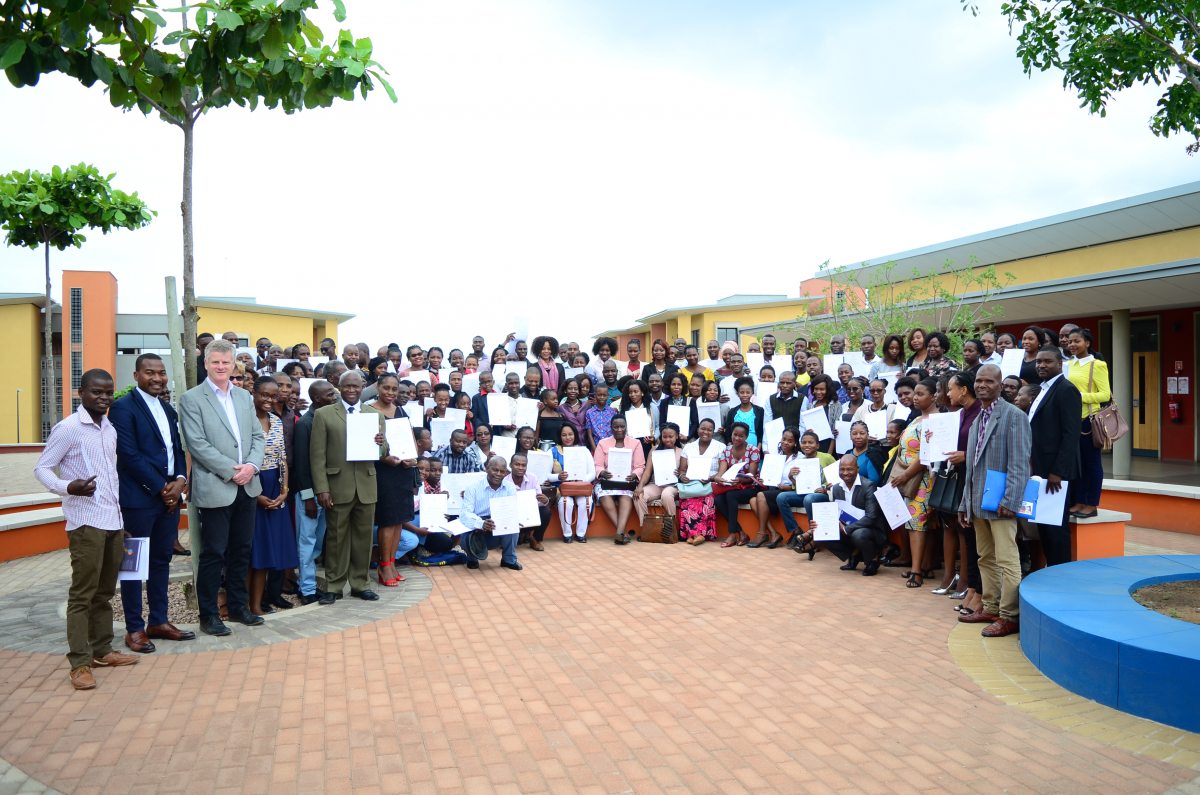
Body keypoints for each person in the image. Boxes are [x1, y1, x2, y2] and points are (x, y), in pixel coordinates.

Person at [35, 369, 141, 689]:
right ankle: (79, 663)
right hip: (85, 523)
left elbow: (112, 476)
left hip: (113, 520)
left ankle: (102, 650)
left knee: (105, 592)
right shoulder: (68, 428)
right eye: (97, 392)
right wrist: (68, 486)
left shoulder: (109, 428)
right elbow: (41, 468)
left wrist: (122, 522)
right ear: (81, 393)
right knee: (82, 595)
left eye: (108, 392)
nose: (104, 397)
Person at [179, 339, 266, 637]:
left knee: (242, 550)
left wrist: (251, 467)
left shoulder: (243, 397)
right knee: (214, 552)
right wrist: (233, 472)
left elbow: (258, 437)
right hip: (218, 486)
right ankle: (210, 614)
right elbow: (197, 444)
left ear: (233, 365)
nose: (220, 367)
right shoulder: (192, 399)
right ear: (205, 363)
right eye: (215, 362)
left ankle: (240, 608)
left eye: (225, 363)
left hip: (248, 484)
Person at [107, 353, 193, 654]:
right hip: (139, 500)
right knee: (133, 566)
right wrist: (161, 489)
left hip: (168, 498)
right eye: (149, 373)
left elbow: (177, 450)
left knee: (160, 561)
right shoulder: (122, 408)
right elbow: (129, 455)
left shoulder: (168, 409)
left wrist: (180, 480)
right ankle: (134, 628)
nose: (157, 378)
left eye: (161, 373)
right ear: (136, 376)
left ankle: (159, 620)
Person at [958, 363, 1032, 638]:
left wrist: (1011, 499)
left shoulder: (1013, 416)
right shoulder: (978, 417)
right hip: (978, 501)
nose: (982, 385)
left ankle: (1009, 616)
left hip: (1002, 502)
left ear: (1000, 385)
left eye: (989, 381)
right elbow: (973, 467)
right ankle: (989, 607)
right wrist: (965, 503)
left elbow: (1020, 463)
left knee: (1007, 559)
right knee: (985, 557)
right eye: (978, 381)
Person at [309, 370, 387, 602]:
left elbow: (383, 453)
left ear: (362, 387)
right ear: (339, 388)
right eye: (347, 386)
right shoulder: (324, 415)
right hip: (336, 486)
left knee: (363, 538)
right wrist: (322, 488)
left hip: (366, 485)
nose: (352, 390)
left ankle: (360, 583)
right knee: (336, 538)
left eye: (356, 386)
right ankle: (334, 585)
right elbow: (317, 456)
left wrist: (382, 444)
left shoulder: (374, 415)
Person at [248, 377, 300, 615]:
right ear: (254, 393)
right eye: (264, 395)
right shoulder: (244, 420)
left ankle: (265, 600)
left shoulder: (277, 422)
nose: (269, 400)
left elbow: (282, 459)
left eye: (273, 395)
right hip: (251, 486)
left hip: (276, 487)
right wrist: (256, 494)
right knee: (255, 552)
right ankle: (253, 605)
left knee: (272, 549)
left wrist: (284, 491)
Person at [1028, 346, 1082, 566]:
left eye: (1047, 361)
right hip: (1040, 469)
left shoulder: (1066, 389)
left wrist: (1057, 471)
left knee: (1056, 529)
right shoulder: (1043, 389)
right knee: (1044, 525)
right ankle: (1050, 572)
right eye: (1039, 361)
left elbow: (1071, 435)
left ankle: (1060, 574)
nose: (1041, 365)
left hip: (1055, 473)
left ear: (1060, 364)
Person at [934, 370, 983, 601]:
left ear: (963, 390)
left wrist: (965, 454)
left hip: (973, 480)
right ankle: (962, 582)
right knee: (957, 527)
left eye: (951, 388)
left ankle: (969, 584)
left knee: (969, 533)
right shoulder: (959, 414)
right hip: (956, 476)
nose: (947, 393)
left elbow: (984, 447)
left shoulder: (980, 413)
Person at [369, 373, 420, 586]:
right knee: (388, 521)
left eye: (394, 389)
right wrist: (384, 458)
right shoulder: (369, 411)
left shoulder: (400, 410)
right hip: (384, 472)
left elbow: (410, 440)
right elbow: (366, 444)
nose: (390, 393)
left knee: (399, 521)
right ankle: (383, 566)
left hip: (403, 471)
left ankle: (391, 563)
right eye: (386, 388)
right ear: (378, 388)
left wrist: (412, 458)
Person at [293, 378, 339, 606]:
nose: (335, 396)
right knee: (307, 542)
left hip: (326, 493)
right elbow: (302, 465)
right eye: (330, 394)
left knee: (318, 543)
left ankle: (309, 584)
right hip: (309, 496)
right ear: (316, 399)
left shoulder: (327, 417)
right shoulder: (305, 424)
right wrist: (309, 497)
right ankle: (307, 589)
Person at [889, 377, 937, 588]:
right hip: (909, 475)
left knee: (917, 522)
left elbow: (926, 455)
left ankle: (916, 572)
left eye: (920, 394)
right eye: (914, 394)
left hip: (923, 478)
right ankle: (922, 565)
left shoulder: (935, 420)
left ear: (934, 396)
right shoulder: (918, 418)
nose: (915, 398)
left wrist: (906, 475)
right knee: (913, 523)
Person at [811, 454, 889, 575]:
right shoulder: (836, 488)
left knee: (859, 534)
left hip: (870, 530)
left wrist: (847, 528)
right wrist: (820, 523)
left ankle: (872, 560)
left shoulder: (868, 486)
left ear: (857, 469)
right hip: (848, 528)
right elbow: (836, 514)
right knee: (822, 532)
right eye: (842, 469)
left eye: (849, 469)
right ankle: (853, 555)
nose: (845, 473)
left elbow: (872, 517)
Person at [1066, 328, 1111, 519]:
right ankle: (1078, 501)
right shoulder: (1068, 364)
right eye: (1070, 342)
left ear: (1087, 343)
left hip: (1088, 422)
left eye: (1077, 341)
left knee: (1091, 464)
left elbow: (1105, 394)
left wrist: (1079, 396)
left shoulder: (1097, 365)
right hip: (1070, 420)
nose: (1073, 345)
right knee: (1076, 464)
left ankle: (1091, 504)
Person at [458, 456, 523, 571]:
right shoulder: (472, 488)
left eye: (502, 471)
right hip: (478, 525)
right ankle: (472, 558)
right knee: (466, 533)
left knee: (513, 526)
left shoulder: (510, 488)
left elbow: (512, 510)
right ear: (487, 468)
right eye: (495, 470)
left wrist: (515, 519)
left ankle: (508, 559)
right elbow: (465, 514)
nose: (498, 474)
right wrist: (481, 523)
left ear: (506, 473)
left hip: (498, 524)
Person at [777, 429, 836, 553]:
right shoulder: (800, 461)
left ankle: (813, 535)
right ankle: (795, 530)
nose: (807, 445)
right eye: (804, 442)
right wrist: (791, 477)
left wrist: (825, 488)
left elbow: (837, 477)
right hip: (805, 494)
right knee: (782, 497)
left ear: (818, 445)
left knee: (809, 498)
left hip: (822, 495)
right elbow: (798, 487)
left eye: (811, 442)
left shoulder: (827, 457)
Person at [593, 416, 645, 545]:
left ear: (627, 427)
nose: (619, 429)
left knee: (626, 497)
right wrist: (602, 472)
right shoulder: (602, 443)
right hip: (607, 481)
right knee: (604, 496)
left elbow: (640, 466)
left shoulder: (635, 443)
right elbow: (597, 465)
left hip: (626, 481)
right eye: (616, 427)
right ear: (611, 428)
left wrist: (634, 474)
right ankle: (621, 533)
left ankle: (619, 532)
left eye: (622, 426)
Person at [713, 422, 763, 548]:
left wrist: (740, 479)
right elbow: (721, 472)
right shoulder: (726, 450)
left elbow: (751, 476)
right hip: (732, 486)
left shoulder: (753, 450)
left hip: (750, 487)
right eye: (735, 434)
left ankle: (731, 534)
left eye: (741, 436)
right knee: (718, 499)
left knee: (730, 495)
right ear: (731, 434)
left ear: (746, 437)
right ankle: (741, 532)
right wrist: (719, 478)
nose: (737, 438)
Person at [750, 426, 801, 548]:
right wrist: (764, 480)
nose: (786, 443)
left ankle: (762, 533)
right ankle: (773, 533)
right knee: (752, 500)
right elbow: (770, 478)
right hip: (774, 490)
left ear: (795, 443)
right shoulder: (775, 456)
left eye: (790, 441)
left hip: (788, 491)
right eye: (784, 439)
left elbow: (802, 485)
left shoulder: (800, 458)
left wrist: (788, 487)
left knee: (760, 495)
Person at [677, 418, 724, 544]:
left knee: (705, 499)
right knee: (688, 499)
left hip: (710, 484)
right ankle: (695, 535)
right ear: (697, 429)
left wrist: (711, 478)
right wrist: (682, 477)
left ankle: (696, 535)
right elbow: (682, 470)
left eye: (709, 430)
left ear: (714, 432)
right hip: (692, 483)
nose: (706, 432)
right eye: (703, 428)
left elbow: (722, 471)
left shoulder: (720, 447)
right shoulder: (688, 447)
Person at [634, 422, 683, 530]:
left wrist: (680, 474)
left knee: (666, 495)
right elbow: (647, 471)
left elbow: (685, 472)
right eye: (664, 436)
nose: (667, 439)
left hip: (673, 486)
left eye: (671, 436)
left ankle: (673, 529)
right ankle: (646, 528)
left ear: (677, 436)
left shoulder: (682, 451)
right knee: (639, 495)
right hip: (656, 484)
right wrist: (640, 486)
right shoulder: (655, 450)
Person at [553, 423, 595, 542]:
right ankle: (567, 534)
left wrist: (581, 479)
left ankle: (581, 534)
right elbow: (547, 475)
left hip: (581, 487)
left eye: (570, 434)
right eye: (564, 435)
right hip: (563, 488)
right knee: (565, 502)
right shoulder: (554, 451)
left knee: (586, 501)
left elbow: (592, 473)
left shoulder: (584, 450)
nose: (568, 438)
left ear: (575, 435)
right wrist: (558, 476)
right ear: (560, 436)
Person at [505, 451, 552, 551]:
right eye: (517, 464)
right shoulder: (504, 481)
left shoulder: (533, 478)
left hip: (528, 514)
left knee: (545, 511)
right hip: (512, 517)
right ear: (510, 465)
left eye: (523, 465)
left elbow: (539, 501)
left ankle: (534, 539)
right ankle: (520, 536)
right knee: (511, 543)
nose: (520, 468)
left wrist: (545, 500)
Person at [727, 377, 765, 448]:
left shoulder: (759, 411)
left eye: (748, 392)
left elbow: (761, 432)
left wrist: (757, 450)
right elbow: (728, 433)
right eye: (742, 392)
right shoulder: (732, 412)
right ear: (737, 393)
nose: (745, 395)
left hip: (755, 451)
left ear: (752, 393)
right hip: (736, 452)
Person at [584, 382, 617, 451]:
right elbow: (589, 434)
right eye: (599, 395)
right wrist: (595, 450)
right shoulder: (589, 413)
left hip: (611, 447)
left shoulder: (612, 412)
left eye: (604, 395)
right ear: (595, 395)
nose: (602, 397)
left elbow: (615, 432)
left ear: (608, 396)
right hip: (596, 446)